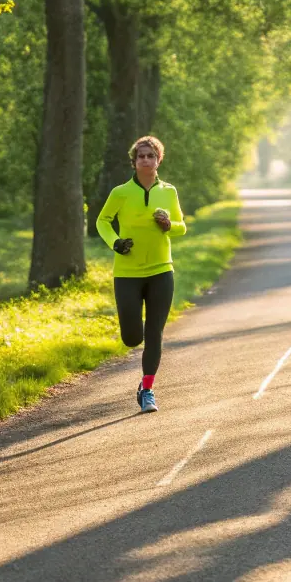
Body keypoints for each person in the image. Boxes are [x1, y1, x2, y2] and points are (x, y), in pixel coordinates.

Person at [96, 135, 187, 413]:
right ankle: (143, 380)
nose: (146, 160)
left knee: (154, 333)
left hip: (161, 270)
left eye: (151, 156)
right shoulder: (121, 192)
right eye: (141, 156)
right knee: (132, 338)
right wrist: (115, 243)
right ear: (134, 162)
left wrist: (168, 225)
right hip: (127, 273)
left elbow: (182, 226)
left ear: (159, 160)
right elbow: (102, 221)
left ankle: (147, 389)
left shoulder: (168, 192)